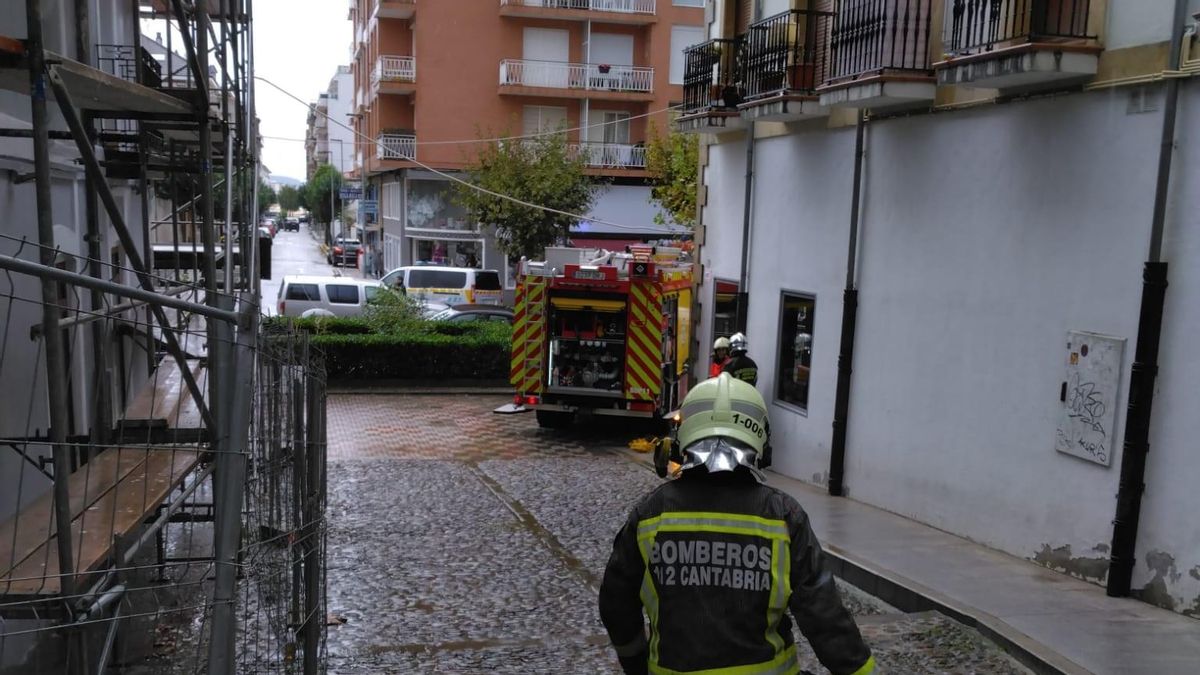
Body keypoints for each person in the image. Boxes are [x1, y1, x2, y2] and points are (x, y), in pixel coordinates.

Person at [599, 374, 874, 675]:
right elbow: (825, 617)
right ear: (761, 441)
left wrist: (636, 666)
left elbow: (616, 604)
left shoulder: (651, 514)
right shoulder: (782, 516)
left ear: (683, 436)